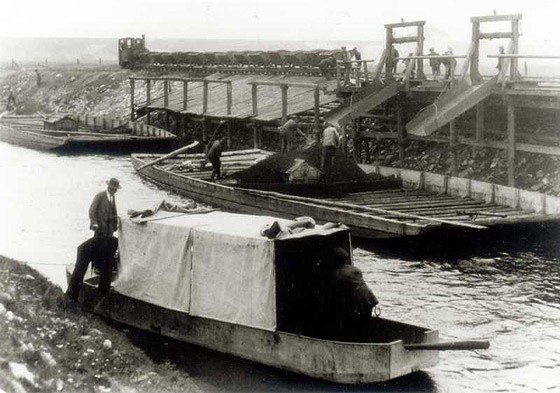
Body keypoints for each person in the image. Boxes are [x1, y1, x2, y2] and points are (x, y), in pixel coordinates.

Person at [66, 178, 121, 302]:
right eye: (112, 188)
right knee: (97, 248)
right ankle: (97, 267)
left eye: (115, 189)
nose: (113, 190)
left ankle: (101, 267)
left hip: (109, 229)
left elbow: (114, 211)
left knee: (106, 249)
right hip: (100, 228)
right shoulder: (100, 196)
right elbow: (92, 210)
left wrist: (115, 223)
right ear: (108, 187)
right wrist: (94, 223)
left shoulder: (113, 197)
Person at [330, 247, 378, 340]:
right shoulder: (355, 269)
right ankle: (365, 340)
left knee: (353, 324)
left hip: (357, 300)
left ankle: (357, 341)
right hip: (369, 297)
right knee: (365, 322)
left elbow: (338, 294)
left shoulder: (338, 273)